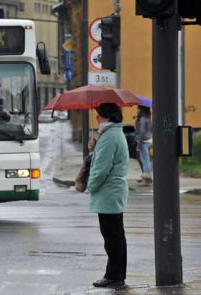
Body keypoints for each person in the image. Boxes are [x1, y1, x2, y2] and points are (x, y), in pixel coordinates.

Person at [87, 103, 129, 289]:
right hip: (114, 192)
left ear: (105, 117)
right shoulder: (112, 134)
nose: (96, 118)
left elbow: (101, 168)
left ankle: (113, 276)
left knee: (112, 238)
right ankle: (117, 275)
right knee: (116, 236)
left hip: (108, 193)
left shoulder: (109, 136)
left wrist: (91, 186)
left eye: (98, 115)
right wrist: (96, 146)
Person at [135, 106, 153, 185]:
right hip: (148, 140)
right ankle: (146, 178)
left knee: (145, 160)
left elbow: (142, 131)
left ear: (141, 109)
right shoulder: (148, 118)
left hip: (143, 141)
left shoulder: (142, 118)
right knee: (146, 160)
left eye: (138, 108)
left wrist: (139, 143)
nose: (137, 110)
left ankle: (147, 180)